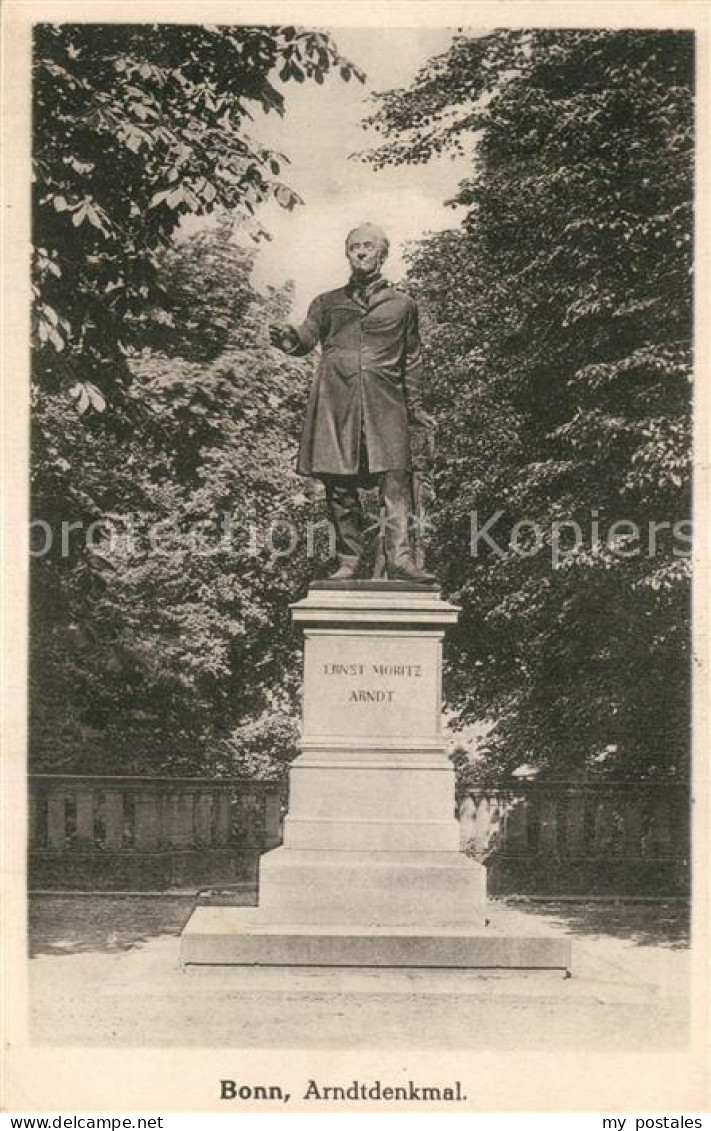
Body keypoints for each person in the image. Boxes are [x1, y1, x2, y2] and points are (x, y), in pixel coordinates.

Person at [269, 222, 436, 583]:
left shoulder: (403, 305)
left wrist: (416, 407)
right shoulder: (327, 303)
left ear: (383, 253)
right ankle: (348, 559)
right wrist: (288, 338)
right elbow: (304, 338)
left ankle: (401, 559)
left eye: (368, 246)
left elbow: (413, 359)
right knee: (338, 484)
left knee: (395, 479)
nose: (360, 252)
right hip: (336, 402)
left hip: (385, 403)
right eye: (354, 247)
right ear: (347, 253)